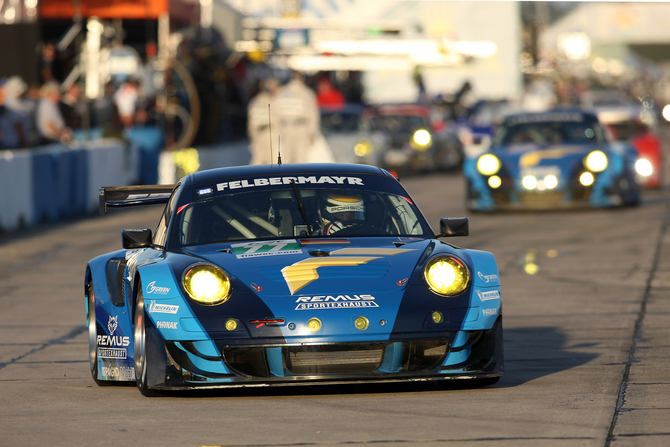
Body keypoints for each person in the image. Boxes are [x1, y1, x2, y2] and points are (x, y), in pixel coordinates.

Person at [247, 77, 281, 165]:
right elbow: (277, 119)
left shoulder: (254, 102)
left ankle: (251, 177)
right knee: (272, 161)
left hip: (258, 134)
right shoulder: (272, 101)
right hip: (270, 133)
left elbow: (251, 123)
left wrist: (252, 137)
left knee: (258, 160)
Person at [0, 78, 29, 149]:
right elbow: (18, 124)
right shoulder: (12, 103)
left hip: (9, 141)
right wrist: (24, 142)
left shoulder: (7, 102)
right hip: (13, 142)